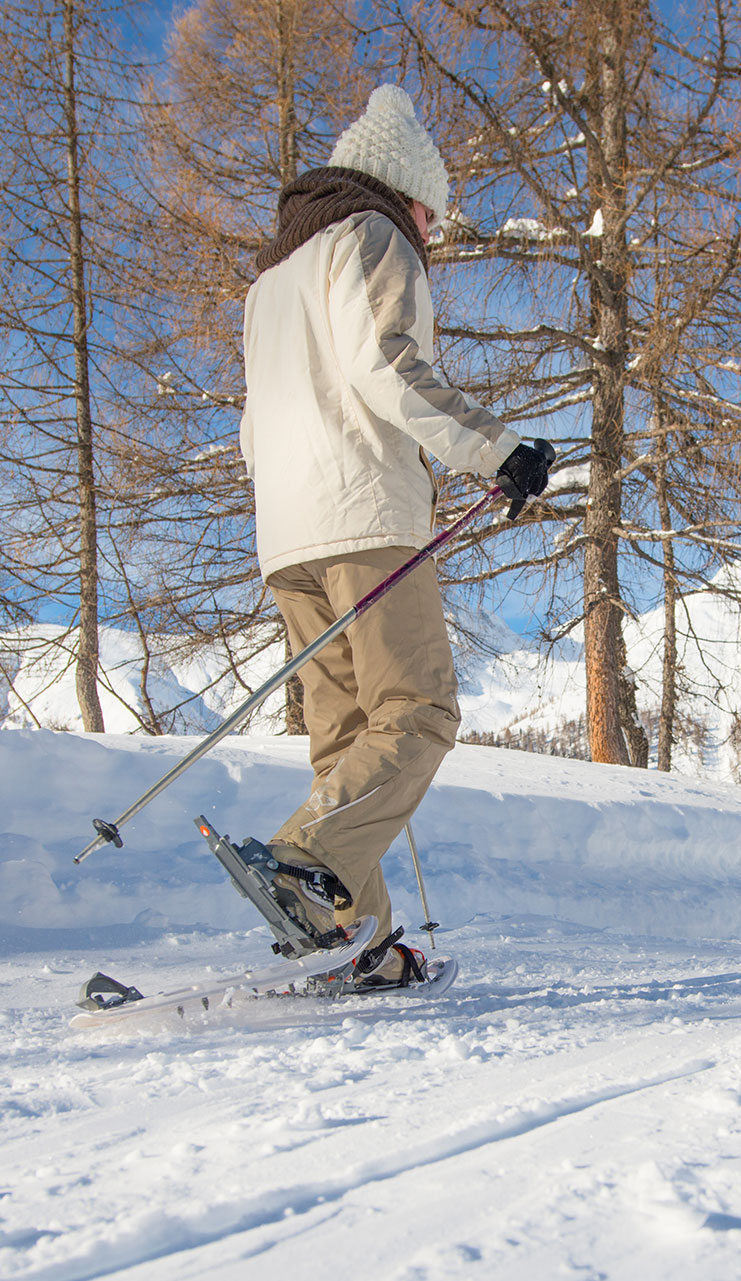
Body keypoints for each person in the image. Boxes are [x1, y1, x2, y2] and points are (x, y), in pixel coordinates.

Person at [238, 84, 553, 989]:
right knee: (418, 712)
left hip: (285, 537)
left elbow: (254, 429)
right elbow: (390, 370)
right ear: (401, 188)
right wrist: (499, 448)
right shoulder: (374, 238)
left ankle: (361, 943)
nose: (434, 233)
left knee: (345, 741)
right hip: (365, 517)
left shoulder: (270, 282)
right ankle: (307, 858)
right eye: (432, 212)